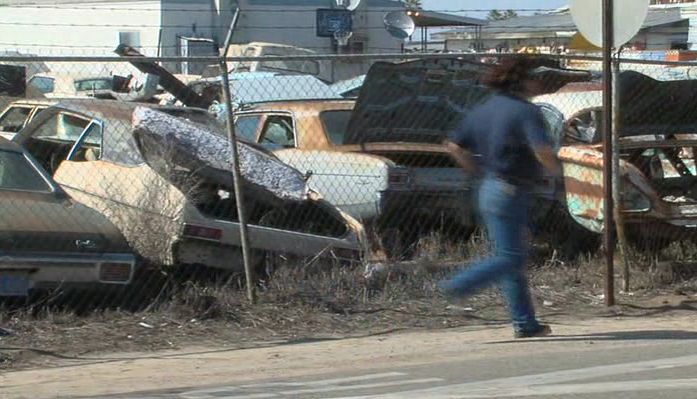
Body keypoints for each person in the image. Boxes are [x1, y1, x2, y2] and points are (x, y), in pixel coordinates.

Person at [438, 57, 562, 339]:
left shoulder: (483, 110)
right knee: (511, 258)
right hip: (511, 191)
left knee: (510, 257)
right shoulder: (525, 112)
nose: (538, 82)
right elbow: (542, 150)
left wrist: (479, 171)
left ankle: (526, 324)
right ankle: (458, 285)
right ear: (521, 80)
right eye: (534, 77)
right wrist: (559, 174)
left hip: (489, 189)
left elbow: (453, 146)